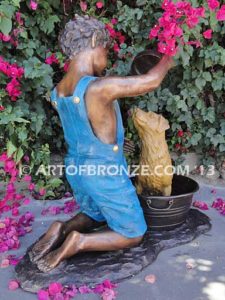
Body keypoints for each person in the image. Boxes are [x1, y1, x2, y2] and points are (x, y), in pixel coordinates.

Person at [28, 14, 175, 272]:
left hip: (77, 168)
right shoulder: (99, 87)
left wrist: (117, 141)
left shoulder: (58, 90)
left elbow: (86, 128)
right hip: (103, 173)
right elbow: (150, 81)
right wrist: (170, 55)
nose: (105, 62)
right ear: (95, 40)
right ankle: (77, 242)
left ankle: (61, 228)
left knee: (96, 213)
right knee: (133, 232)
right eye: (105, 52)